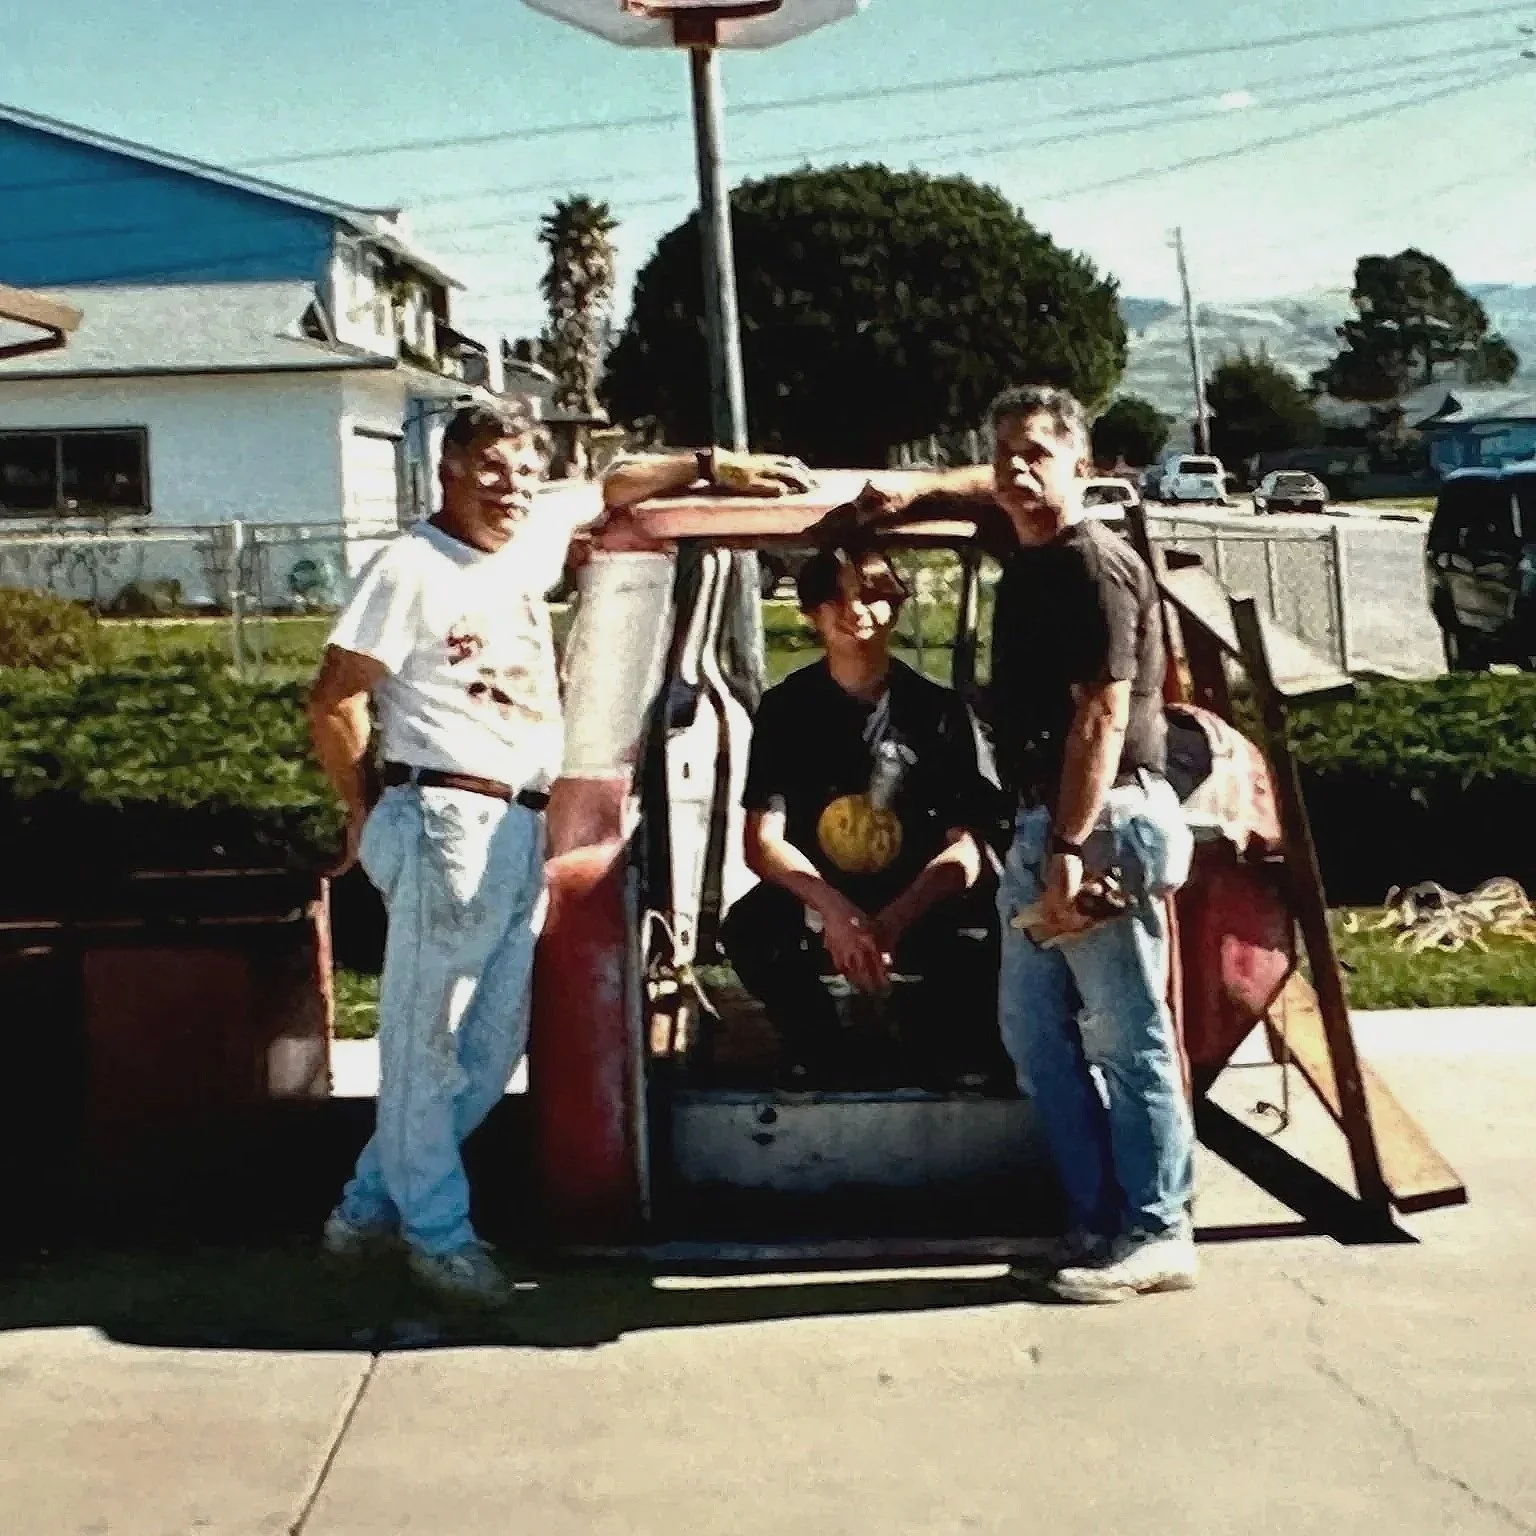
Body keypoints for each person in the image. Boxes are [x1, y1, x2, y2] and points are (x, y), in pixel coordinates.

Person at [308, 399, 810, 1302]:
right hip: (442, 816)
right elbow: (334, 697)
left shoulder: (530, 534)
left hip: (518, 823)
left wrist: (713, 462)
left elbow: (613, 483)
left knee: (493, 1046)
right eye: (489, 468)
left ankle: (366, 1208)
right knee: (426, 1045)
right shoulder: (411, 567)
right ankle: (438, 1238)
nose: (510, 487)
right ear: (448, 473)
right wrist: (363, 812)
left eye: (522, 468)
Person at [854, 385, 1197, 1302]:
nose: (1015, 467)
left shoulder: (1094, 564)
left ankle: (1159, 1230)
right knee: (1034, 1034)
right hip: (1047, 822)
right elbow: (993, 488)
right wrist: (916, 493)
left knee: (1129, 1038)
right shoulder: (1030, 548)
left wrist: (1069, 848)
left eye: (1039, 452)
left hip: (1101, 822)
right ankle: (1092, 1218)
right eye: (1003, 450)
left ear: (1083, 468)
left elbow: (1103, 711)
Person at [722, 541, 1006, 1090]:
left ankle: (946, 1051)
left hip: (917, 899)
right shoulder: (785, 710)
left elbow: (969, 849)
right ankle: (821, 1054)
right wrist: (837, 913)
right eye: (834, 599)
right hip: (821, 897)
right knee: (752, 930)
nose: (855, 612)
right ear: (809, 612)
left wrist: (892, 921)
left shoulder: (940, 711)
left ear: (895, 607)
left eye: (873, 596)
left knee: (985, 933)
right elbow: (762, 842)